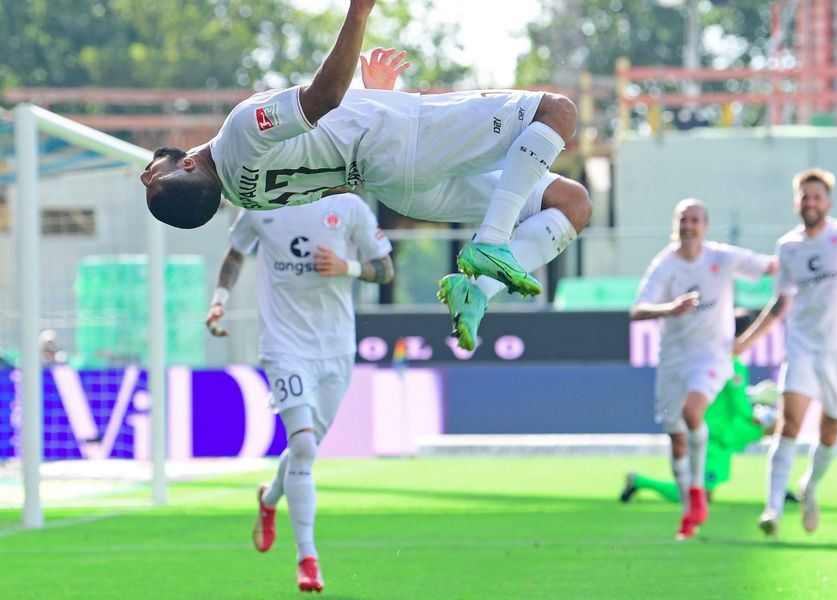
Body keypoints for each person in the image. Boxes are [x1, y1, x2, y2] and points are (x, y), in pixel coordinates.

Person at [139, 1, 591, 349]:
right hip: (408, 141)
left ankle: (478, 293)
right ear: (189, 164)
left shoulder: (246, 197)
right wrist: (358, 12)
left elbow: (332, 173)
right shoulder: (240, 130)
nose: (145, 174)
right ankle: (492, 243)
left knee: (572, 204)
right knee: (556, 111)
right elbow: (325, 96)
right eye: (153, 177)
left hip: (395, 183)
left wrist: (376, 103)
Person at [205, 192, 394, 592]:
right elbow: (235, 253)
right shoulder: (261, 205)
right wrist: (219, 301)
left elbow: (386, 269)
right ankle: (307, 558)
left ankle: (270, 497)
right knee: (305, 447)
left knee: (305, 447)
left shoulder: (349, 207)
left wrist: (350, 266)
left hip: (337, 348)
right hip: (284, 348)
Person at [734, 167, 837, 537]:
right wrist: (746, 341)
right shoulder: (788, 246)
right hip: (803, 346)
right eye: (804, 197)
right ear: (797, 202)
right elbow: (781, 304)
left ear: (828, 202)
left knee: (830, 431)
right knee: (788, 424)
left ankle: (809, 487)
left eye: (817, 197)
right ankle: (773, 508)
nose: (810, 203)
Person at [630, 199, 776, 539]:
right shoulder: (665, 264)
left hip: (712, 358)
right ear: (676, 224)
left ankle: (696, 491)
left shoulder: (721, 258)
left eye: (695, 219)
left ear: (705, 226)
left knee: (692, 412)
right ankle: (687, 512)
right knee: (676, 439)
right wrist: (670, 308)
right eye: (683, 219)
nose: (689, 225)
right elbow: (637, 310)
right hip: (673, 359)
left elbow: (771, 266)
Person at [619, 357, 790, 504]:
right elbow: (738, 403)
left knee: (780, 426)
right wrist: (756, 416)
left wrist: (753, 397)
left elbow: (727, 394)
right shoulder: (732, 363)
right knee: (699, 494)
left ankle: (780, 488)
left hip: (719, 428)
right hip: (719, 431)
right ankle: (639, 481)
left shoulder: (715, 360)